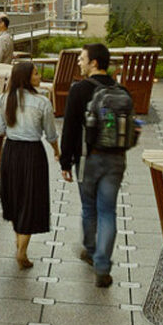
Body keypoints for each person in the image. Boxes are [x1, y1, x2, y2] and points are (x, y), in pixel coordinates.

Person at [59, 43, 126, 288]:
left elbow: (69, 129)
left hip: (88, 160)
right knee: (108, 211)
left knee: (90, 209)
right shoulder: (120, 89)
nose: (79, 61)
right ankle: (102, 265)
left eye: (82, 58)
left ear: (94, 63)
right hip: (116, 160)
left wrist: (65, 161)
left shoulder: (79, 90)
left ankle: (90, 249)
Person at [0, 60, 59, 269]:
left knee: (14, 196)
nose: (39, 76)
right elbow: (51, 134)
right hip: (33, 153)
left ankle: (18, 240)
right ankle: (22, 250)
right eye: (36, 73)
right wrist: (57, 152)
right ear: (27, 77)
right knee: (31, 199)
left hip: (11, 152)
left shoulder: (4, 99)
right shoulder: (42, 102)